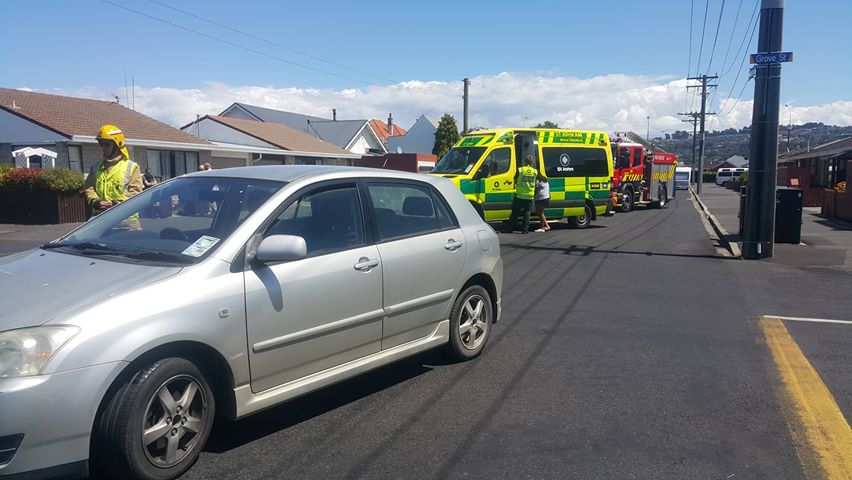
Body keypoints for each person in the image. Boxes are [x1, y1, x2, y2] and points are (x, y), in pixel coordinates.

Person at [83, 124, 143, 226]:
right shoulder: (95, 167)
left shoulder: (132, 167)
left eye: (107, 144)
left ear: (117, 144)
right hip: (100, 220)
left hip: (126, 221)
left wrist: (116, 203)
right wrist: (96, 201)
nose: (103, 148)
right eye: (101, 144)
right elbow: (89, 188)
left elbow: (135, 191)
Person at [510, 155, 538, 234]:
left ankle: (510, 228)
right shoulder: (535, 171)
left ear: (525, 161)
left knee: (515, 213)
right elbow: (535, 182)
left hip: (519, 195)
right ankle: (525, 230)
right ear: (532, 162)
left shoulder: (520, 170)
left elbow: (515, 180)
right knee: (527, 213)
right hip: (529, 196)